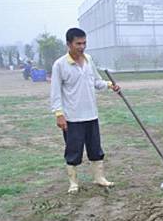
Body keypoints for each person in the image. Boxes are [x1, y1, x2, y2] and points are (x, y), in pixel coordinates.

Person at [50, 27, 121, 193]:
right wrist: (59, 114)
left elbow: (96, 81)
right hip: (73, 117)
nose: (81, 47)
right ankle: (73, 183)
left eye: (84, 43)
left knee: (95, 148)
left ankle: (99, 178)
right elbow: (55, 92)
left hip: (91, 114)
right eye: (78, 44)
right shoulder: (60, 65)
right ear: (69, 44)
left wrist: (110, 85)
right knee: (73, 150)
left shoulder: (88, 59)